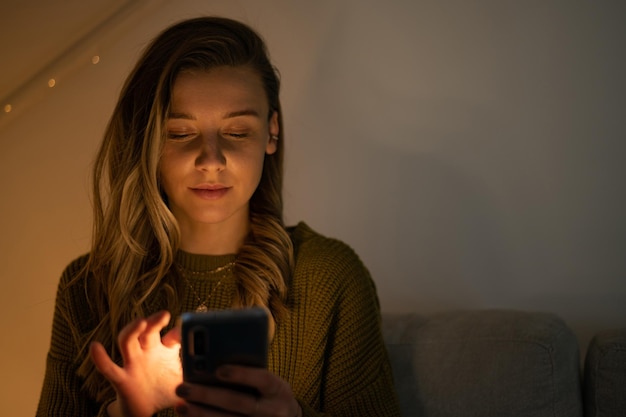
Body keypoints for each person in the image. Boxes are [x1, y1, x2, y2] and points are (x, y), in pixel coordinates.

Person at [36, 16, 401, 417]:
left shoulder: (330, 278)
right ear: (149, 141)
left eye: (237, 132)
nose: (211, 161)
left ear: (271, 133)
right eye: (180, 133)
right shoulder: (85, 289)